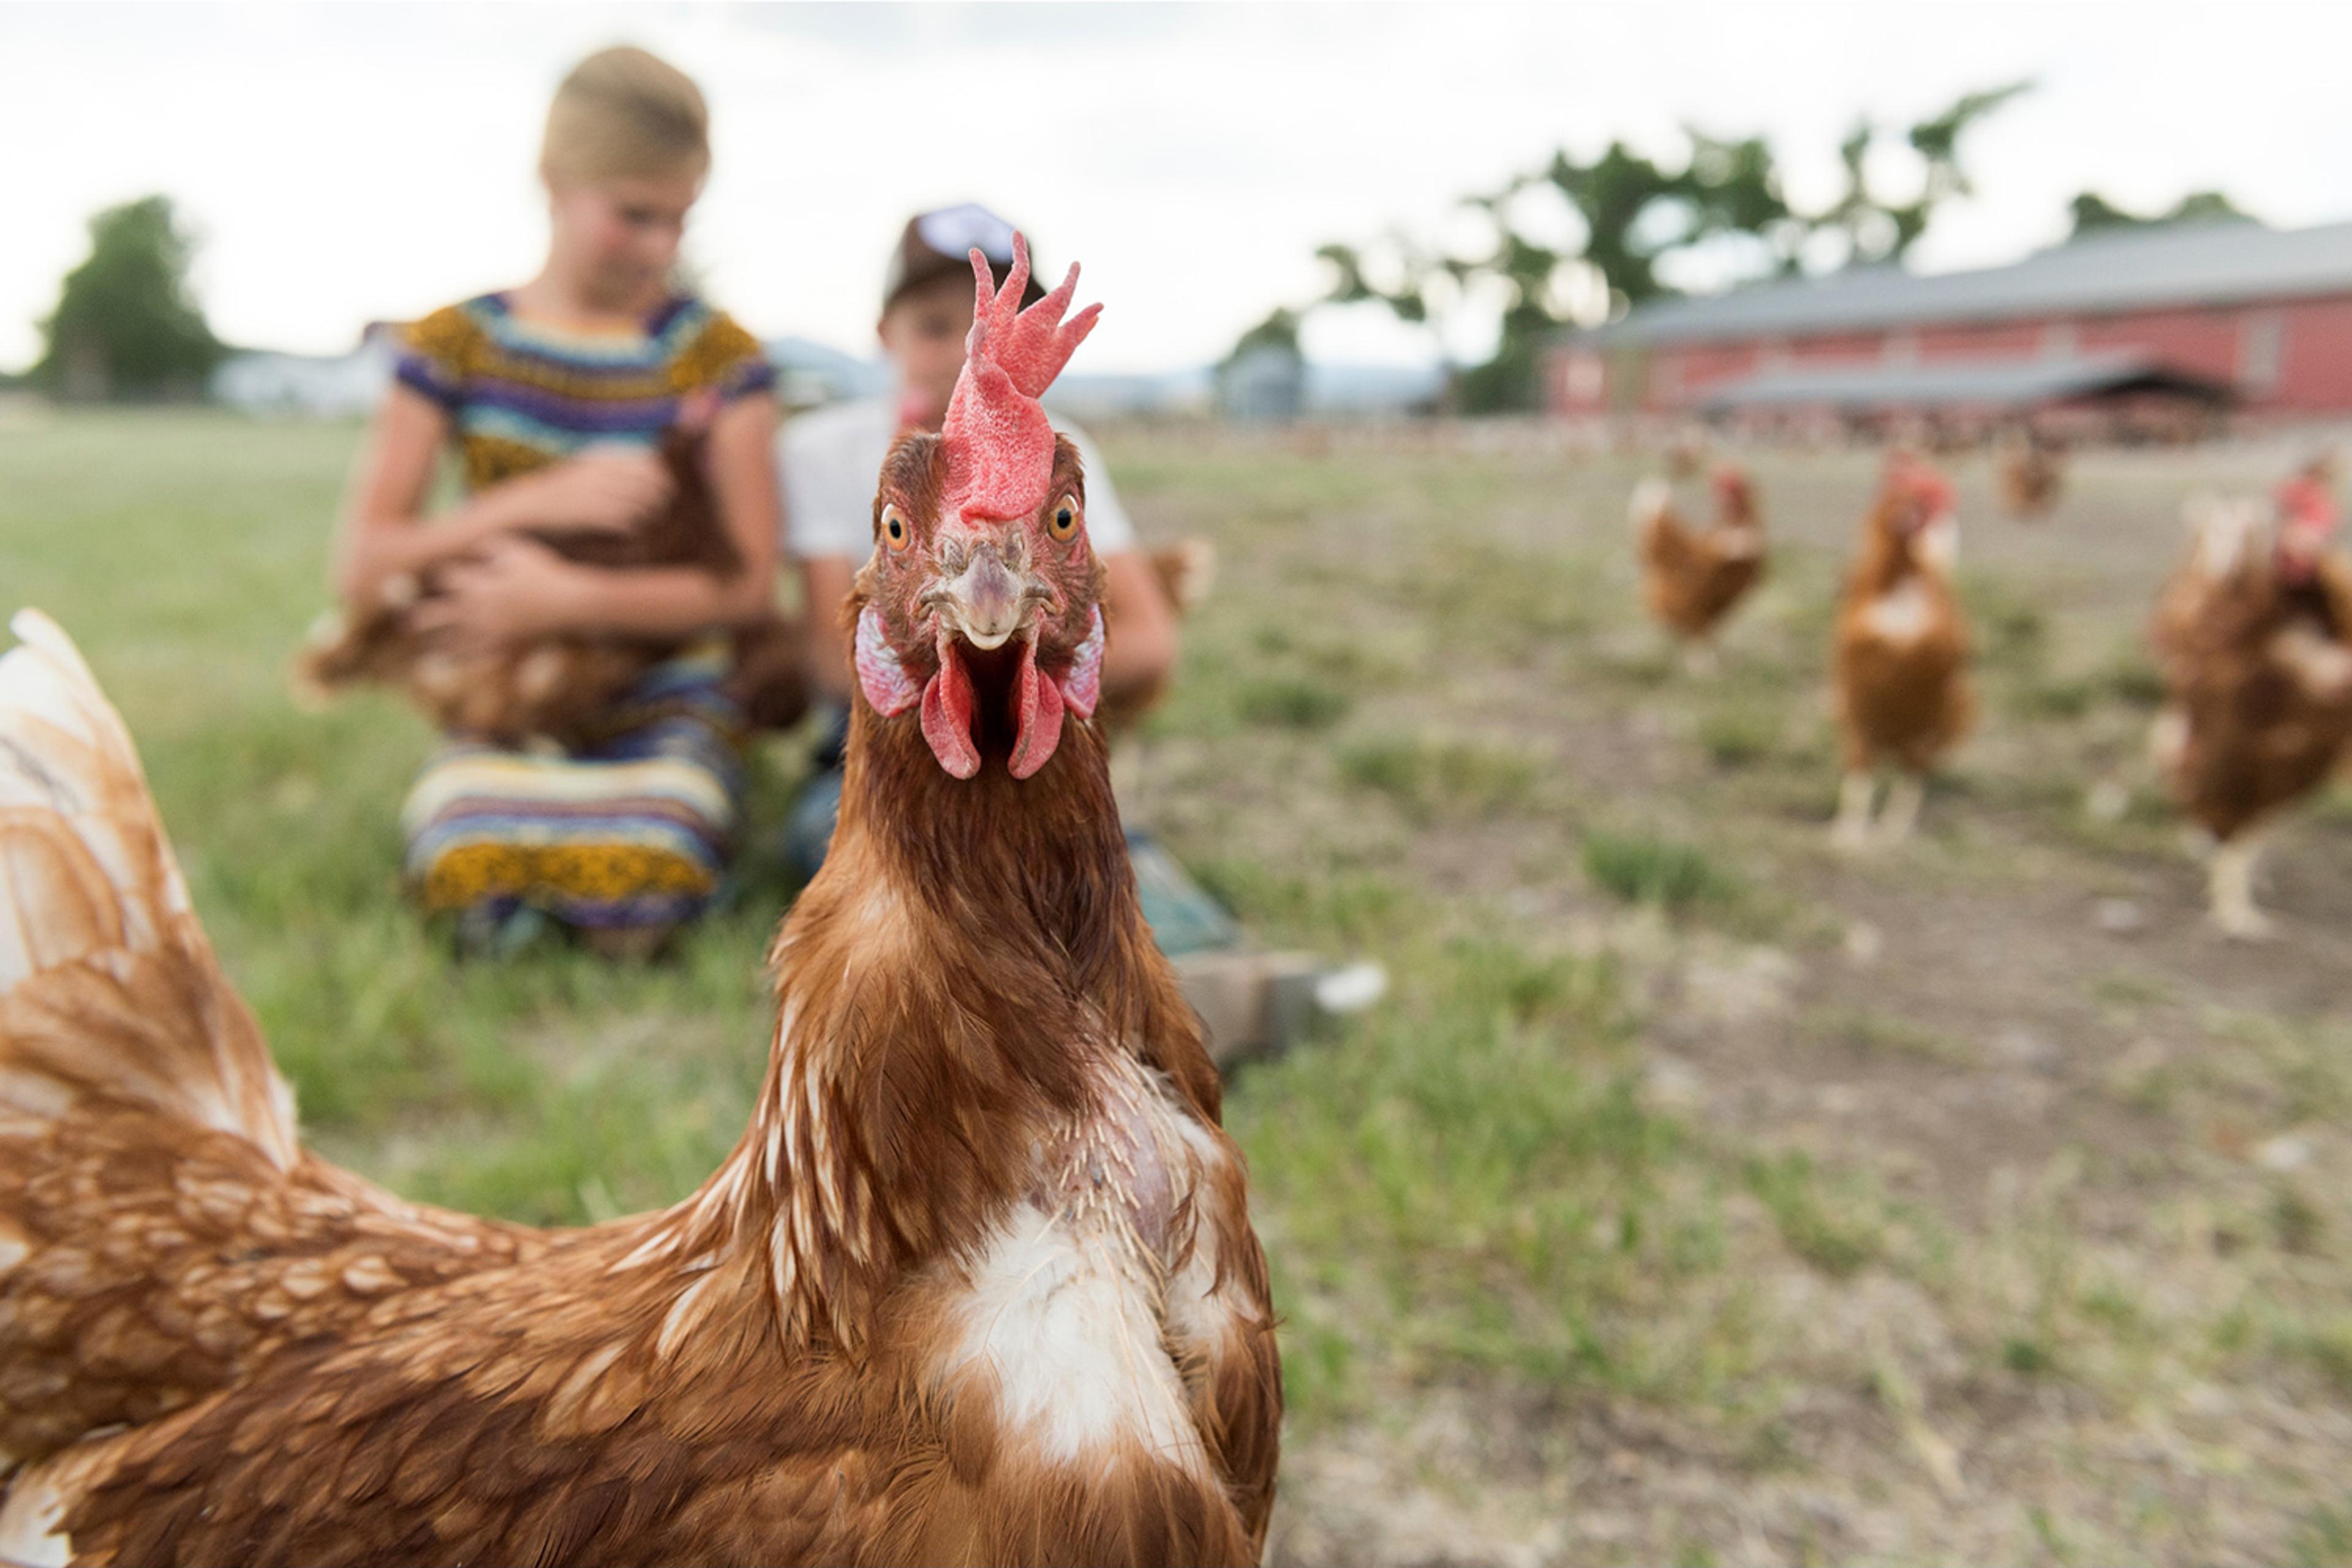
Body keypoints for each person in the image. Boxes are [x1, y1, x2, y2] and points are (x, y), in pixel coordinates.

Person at [778, 206, 1382, 1057]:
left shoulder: (1062, 454)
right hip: (870, 747)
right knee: (872, 860)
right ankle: (1058, 1019)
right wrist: (927, 639)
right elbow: (823, 660)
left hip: (1034, 742)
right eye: (934, 326)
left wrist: (1042, 660)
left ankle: (1198, 978)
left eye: (984, 329)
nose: (962, 353)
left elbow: (1150, 640)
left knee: (1089, 841)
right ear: (884, 334)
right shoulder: (824, 451)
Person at [328, 45, 780, 958]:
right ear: (554, 179)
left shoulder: (718, 360)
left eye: (678, 221)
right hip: (509, 696)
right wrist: (530, 503)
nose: (660, 247)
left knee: (659, 853)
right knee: (464, 854)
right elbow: (362, 566)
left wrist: (568, 600)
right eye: (634, 215)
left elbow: (746, 590)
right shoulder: (454, 346)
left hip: (667, 689)